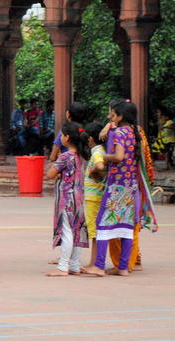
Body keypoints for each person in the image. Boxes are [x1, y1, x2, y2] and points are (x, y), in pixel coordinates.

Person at [83, 100, 143, 277]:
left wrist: (104, 156)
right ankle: (123, 267)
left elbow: (118, 156)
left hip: (116, 185)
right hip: (130, 185)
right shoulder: (134, 132)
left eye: (113, 114)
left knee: (103, 223)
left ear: (120, 116)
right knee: (125, 227)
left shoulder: (118, 133)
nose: (110, 116)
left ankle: (99, 265)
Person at [45, 122, 90, 276]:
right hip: (78, 197)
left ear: (67, 137)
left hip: (66, 197)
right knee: (77, 229)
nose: (61, 138)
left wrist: (56, 171)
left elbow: (50, 174)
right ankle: (75, 265)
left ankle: (63, 266)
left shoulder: (65, 156)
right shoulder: (81, 156)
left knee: (67, 231)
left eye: (62, 135)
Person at [82, 121, 107, 270]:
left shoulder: (97, 152)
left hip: (93, 198)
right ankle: (94, 262)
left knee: (94, 232)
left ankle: (94, 263)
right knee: (95, 231)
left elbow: (100, 166)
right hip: (98, 195)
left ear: (91, 139)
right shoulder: (103, 150)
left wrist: (93, 172)